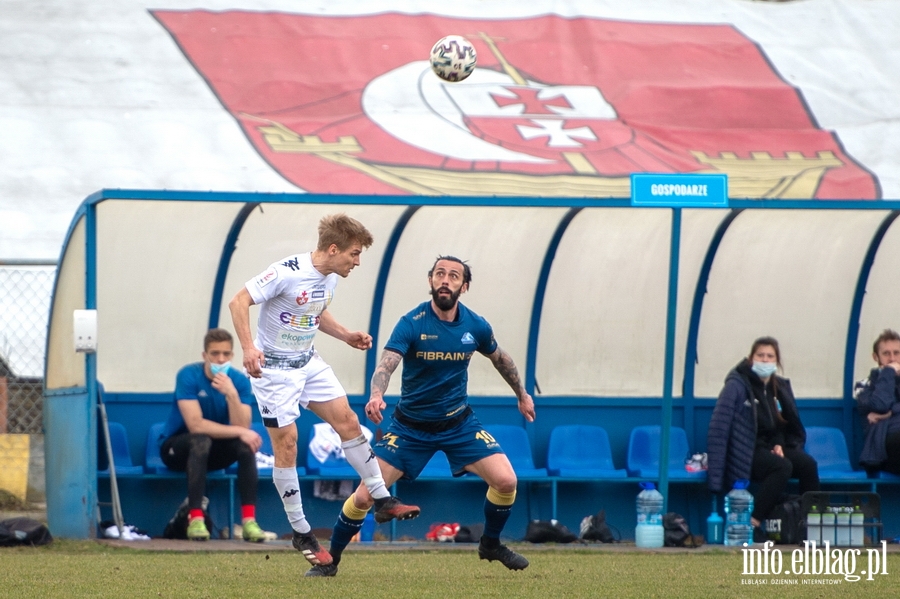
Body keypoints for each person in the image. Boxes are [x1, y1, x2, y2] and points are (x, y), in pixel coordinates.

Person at [305, 255, 536, 577]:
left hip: (459, 424)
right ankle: (332, 562)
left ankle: (491, 544)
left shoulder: (476, 325)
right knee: (364, 496)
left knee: (506, 480)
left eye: (454, 276)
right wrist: (375, 395)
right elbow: (387, 363)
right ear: (430, 281)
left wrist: (522, 394)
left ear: (464, 286)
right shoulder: (412, 322)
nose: (446, 280)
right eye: (440, 274)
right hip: (410, 428)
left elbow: (501, 358)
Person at [228, 213, 420, 566]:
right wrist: (248, 348)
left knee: (347, 421)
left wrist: (346, 335)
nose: (357, 262)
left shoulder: (330, 277)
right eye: (354, 254)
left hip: (308, 362)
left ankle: (381, 498)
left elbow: (315, 312)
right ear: (333, 249)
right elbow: (238, 302)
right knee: (287, 445)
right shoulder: (285, 271)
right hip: (274, 372)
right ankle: (301, 532)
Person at [159, 328, 266, 542]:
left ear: (232, 356)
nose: (220, 358)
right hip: (175, 449)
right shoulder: (188, 375)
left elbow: (242, 425)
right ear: (204, 355)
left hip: (213, 451)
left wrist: (232, 395)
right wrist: (240, 432)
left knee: (245, 447)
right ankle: (195, 519)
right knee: (201, 440)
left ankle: (249, 522)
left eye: (226, 354)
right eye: (215, 353)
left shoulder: (238, 381)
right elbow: (196, 425)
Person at [707, 336, 819, 539]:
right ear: (751, 358)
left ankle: (809, 523)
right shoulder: (737, 385)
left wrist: (779, 444)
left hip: (770, 447)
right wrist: (715, 478)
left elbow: (782, 425)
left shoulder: (778, 388)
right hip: (745, 450)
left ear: (777, 361)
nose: (765, 360)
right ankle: (754, 520)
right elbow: (719, 427)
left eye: (770, 356)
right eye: (760, 355)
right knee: (782, 466)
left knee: (808, 464)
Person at [854, 329, 900, 474]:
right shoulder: (863, 385)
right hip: (883, 449)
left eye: (897, 353)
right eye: (886, 354)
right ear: (876, 357)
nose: (892, 359)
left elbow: (886, 410)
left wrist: (891, 412)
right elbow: (880, 405)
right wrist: (888, 373)